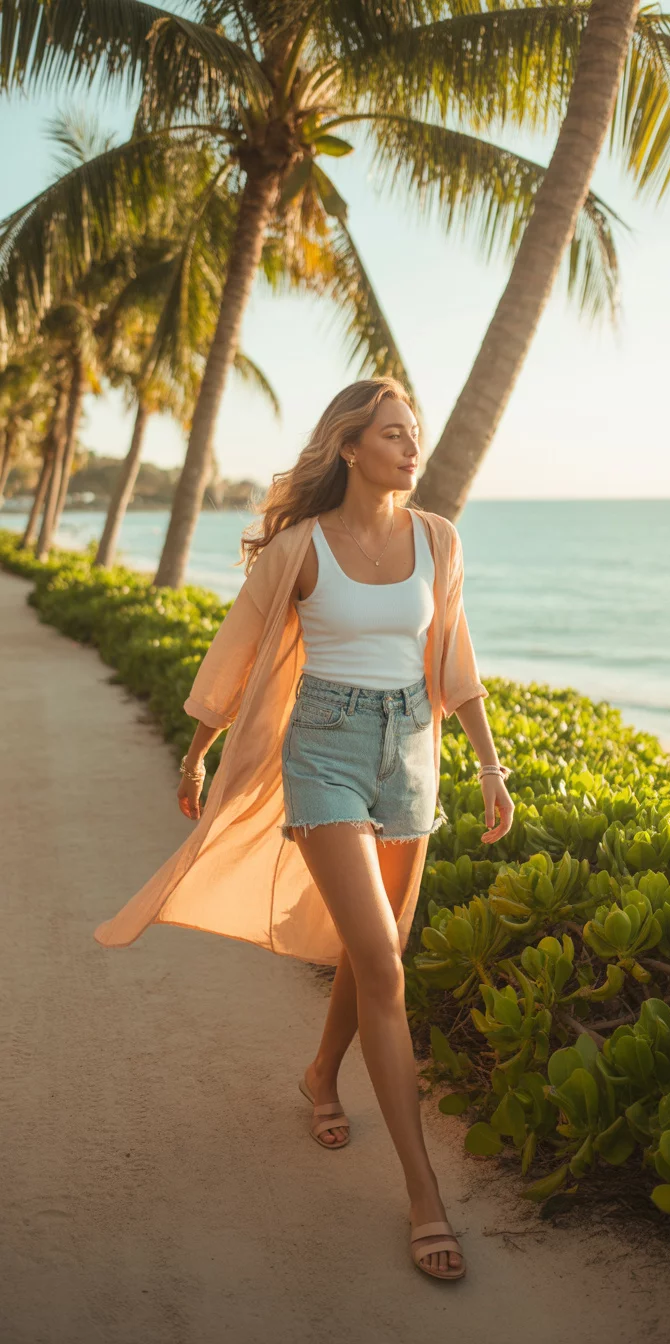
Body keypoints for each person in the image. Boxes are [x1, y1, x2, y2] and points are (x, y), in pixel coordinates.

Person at [95, 377, 514, 1282]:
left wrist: (487, 766)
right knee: (385, 962)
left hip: (410, 749)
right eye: (394, 435)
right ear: (350, 448)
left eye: (415, 434)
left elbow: (457, 657)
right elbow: (238, 647)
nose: (412, 449)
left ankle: (321, 1073)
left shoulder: (438, 541)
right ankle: (423, 1196)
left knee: (379, 951)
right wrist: (196, 751)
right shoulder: (300, 548)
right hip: (321, 750)